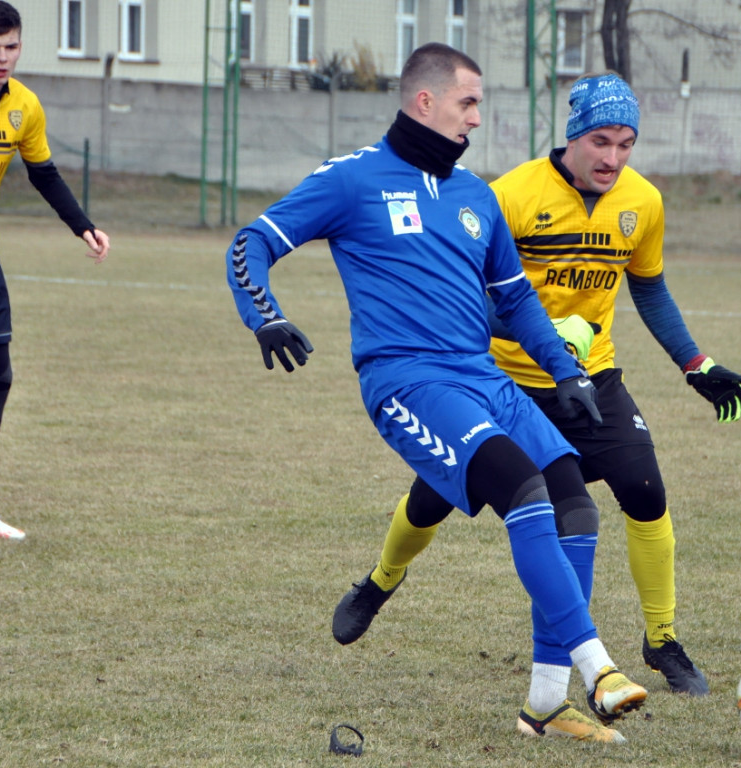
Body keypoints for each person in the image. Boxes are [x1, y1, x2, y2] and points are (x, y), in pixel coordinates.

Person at [227, 43, 647, 744]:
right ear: (425, 101)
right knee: (522, 490)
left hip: (484, 376)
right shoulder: (353, 180)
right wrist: (264, 314)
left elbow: (516, 304)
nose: (478, 118)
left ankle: (546, 703)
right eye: (469, 103)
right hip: (408, 381)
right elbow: (252, 242)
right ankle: (597, 664)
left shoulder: (475, 196)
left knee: (574, 498)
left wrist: (566, 372)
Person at [333, 73, 741, 709]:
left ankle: (661, 640)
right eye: (601, 141)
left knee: (645, 492)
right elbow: (465, 296)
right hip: (503, 381)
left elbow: (651, 288)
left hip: (593, 382)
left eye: (626, 144)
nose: (612, 158)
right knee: (431, 499)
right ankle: (380, 580)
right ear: (573, 137)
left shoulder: (643, 203)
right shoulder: (511, 195)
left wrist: (695, 362)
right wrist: (550, 334)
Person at [0, 1, 110, 546]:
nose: (1, 57)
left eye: (10, 47)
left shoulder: (24, 107)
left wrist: (83, 225)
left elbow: (44, 174)